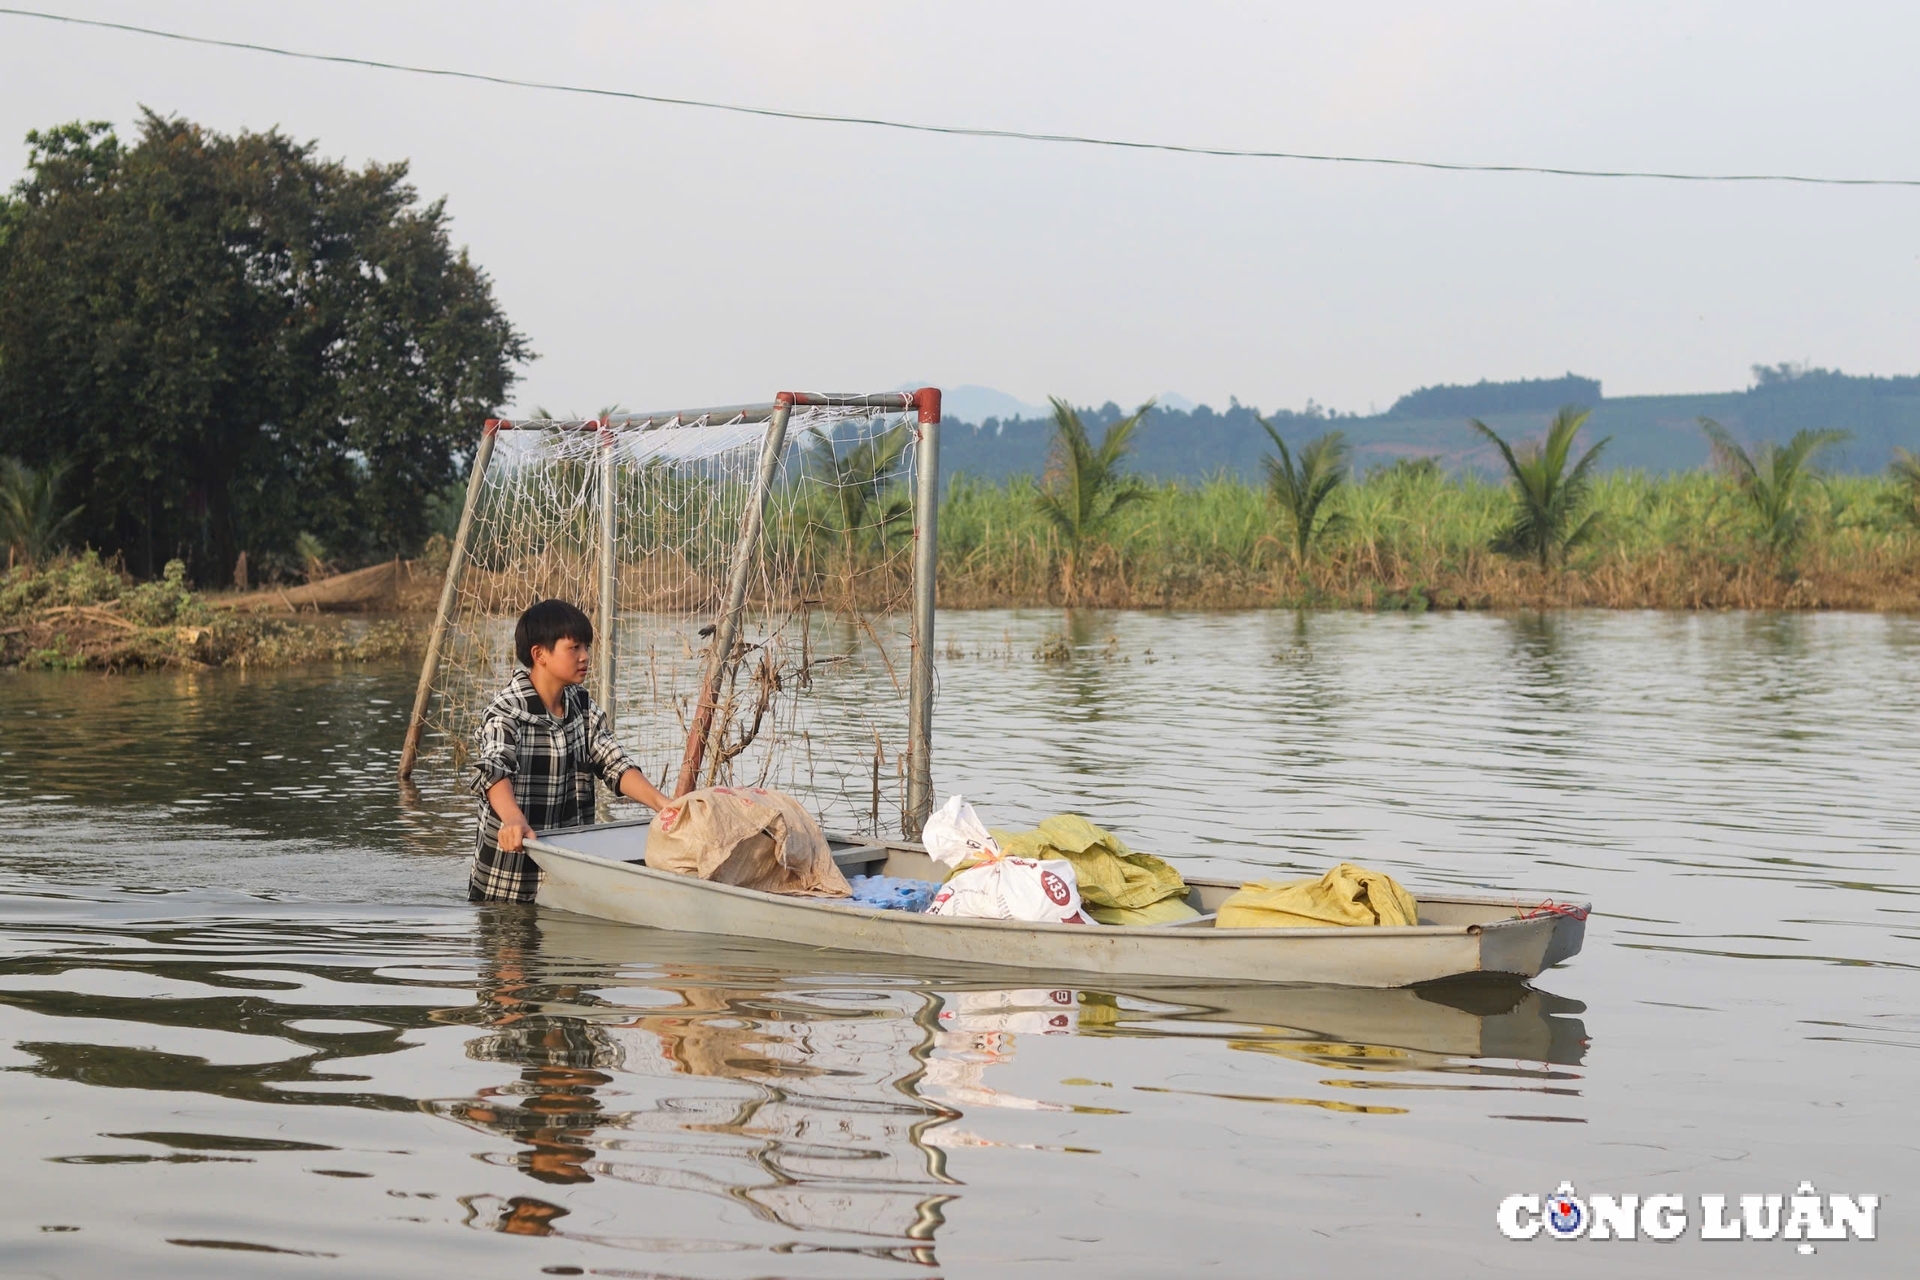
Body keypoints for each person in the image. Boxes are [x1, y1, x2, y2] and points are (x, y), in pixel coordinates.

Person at [468, 598, 671, 903]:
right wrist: (512, 818)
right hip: (508, 880)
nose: (585, 657)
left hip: (567, 876)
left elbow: (614, 762)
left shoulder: (582, 706)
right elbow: (495, 768)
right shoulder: (506, 711)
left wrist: (663, 804)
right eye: (574, 648)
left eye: (586, 647)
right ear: (540, 655)